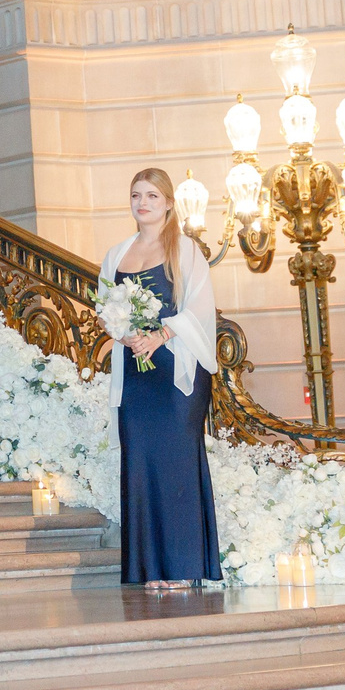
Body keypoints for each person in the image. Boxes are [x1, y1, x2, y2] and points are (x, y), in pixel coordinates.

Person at [102, 167, 222, 590]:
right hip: (136, 371)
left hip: (175, 369)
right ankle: (150, 569)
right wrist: (126, 332)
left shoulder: (186, 250)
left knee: (175, 463)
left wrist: (160, 335)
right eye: (137, 195)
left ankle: (184, 568)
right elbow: (105, 307)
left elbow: (201, 308)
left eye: (153, 196)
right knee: (140, 462)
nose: (143, 203)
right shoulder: (117, 254)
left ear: (169, 203)